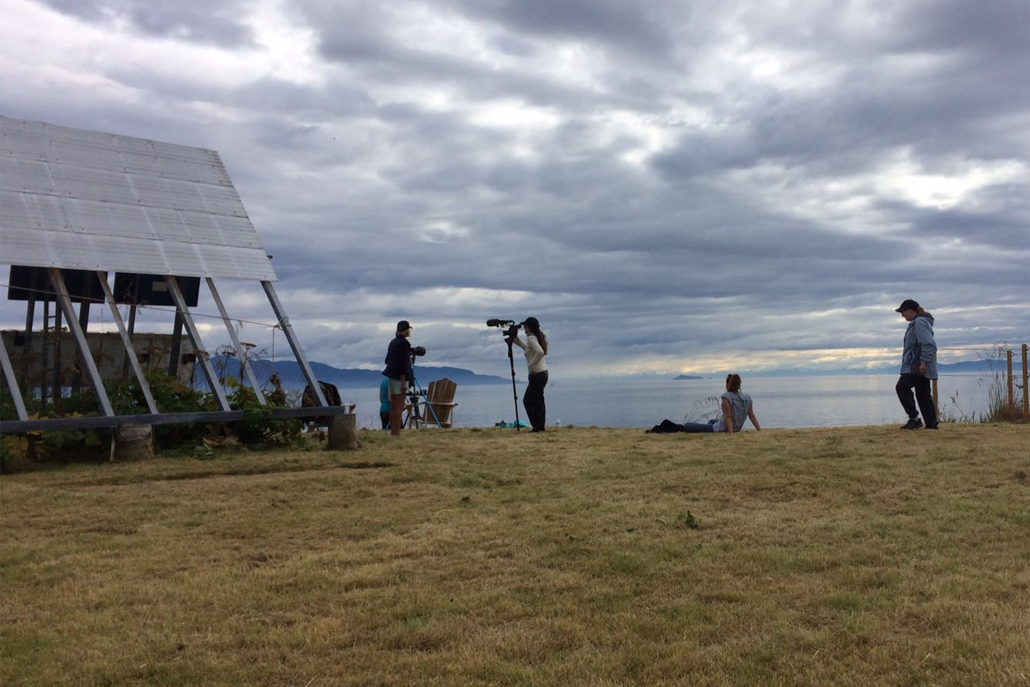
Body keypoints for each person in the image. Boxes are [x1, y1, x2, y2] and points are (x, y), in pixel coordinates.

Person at [649, 373, 761, 433]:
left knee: (688, 425)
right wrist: (759, 431)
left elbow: (728, 417)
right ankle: (704, 430)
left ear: (728, 384)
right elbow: (752, 416)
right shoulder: (747, 397)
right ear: (739, 384)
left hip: (723, 429)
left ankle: (703, 430)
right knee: (712, 420)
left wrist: (731, 434)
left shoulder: (726, 397)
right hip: (736, 427)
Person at [895, 299, 938, 430]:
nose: (902, 315)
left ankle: (914, 418)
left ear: (910, 310)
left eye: (903, 312)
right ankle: (931, 423)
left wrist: (923, 362)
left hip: (916, 365)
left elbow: (929, 344)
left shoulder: (919, 323)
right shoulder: (919, 322)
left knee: (902, 387)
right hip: (919, 364)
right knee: (923, 393)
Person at [510, 317, 548, 432]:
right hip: (542, 373)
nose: (524, 328)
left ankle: (537, 426)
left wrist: (531, 366)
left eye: (525, 326)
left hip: (536, 374)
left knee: (528, 401)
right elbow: (527, 349)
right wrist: (515, 339)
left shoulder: (531, 338)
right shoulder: (534, 338)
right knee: (538, 401)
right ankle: (539, 426)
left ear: (529, 327)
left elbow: (540, 352)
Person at [382, 320, 413, 436]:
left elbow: (387, 360)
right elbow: (404, 364)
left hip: (392, 376)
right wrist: (404, 381)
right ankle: (396, 432)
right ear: (406, 330)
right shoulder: (404, 344)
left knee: (394, 406)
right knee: (399, 406)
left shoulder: (393, 342)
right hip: (400, 378)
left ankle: (393, 432)